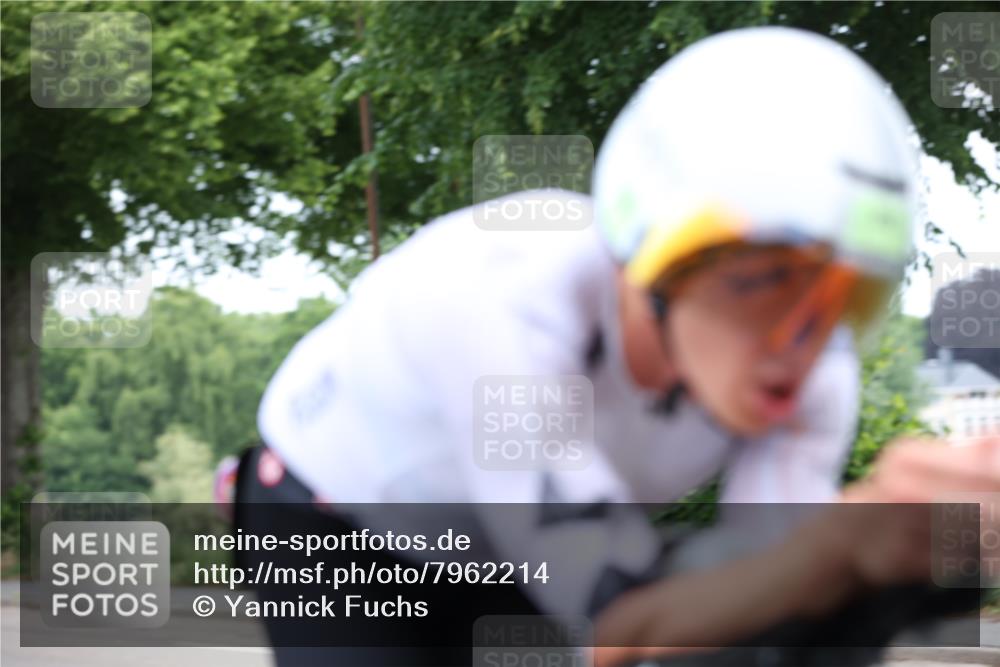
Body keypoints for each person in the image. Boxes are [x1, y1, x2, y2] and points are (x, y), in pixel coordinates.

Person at [236, 27, 999, 667]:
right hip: (333, 522)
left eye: (844, 298)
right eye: (764, 280)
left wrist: (917, 546)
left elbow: (763, 601)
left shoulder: (815, 376)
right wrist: (841, 543)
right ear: (650, 258)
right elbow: (618, 628)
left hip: (504, 542)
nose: (798, 344)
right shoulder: (504, 307)